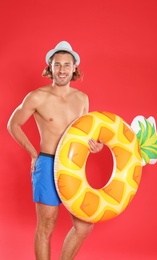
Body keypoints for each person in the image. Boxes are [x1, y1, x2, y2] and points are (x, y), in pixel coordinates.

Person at [7, 41, 103, 260]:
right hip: (48, 162)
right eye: (57, 64)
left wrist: (93, 146)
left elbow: (84, 134)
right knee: (46, 226)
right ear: (50, 68)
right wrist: (33, 153)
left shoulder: (82, 99)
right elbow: (13, 124)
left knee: (84, 225)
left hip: (73, 166)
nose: (62, 69)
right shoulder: (37, 96)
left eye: (66, 65)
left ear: (74, 69)